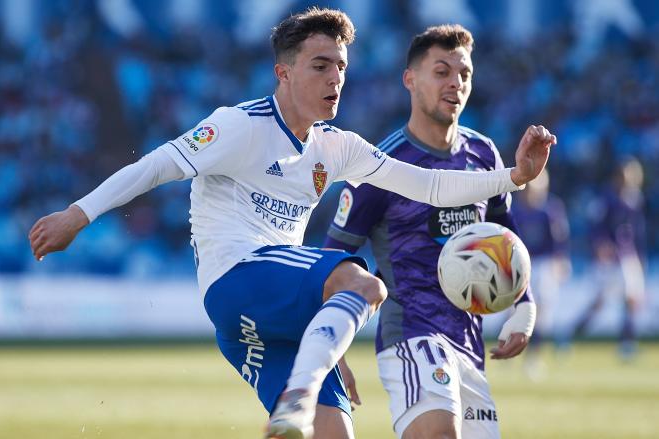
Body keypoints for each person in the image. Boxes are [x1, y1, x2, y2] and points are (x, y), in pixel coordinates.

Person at [28, 9, 556, 439]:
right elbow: (158, 164)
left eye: (342, 67)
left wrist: (513, 175)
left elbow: (430, 186)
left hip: (262, 321)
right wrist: (79, 214)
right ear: (284, 72)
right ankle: (298, 398)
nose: (336, 79)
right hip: (237, 279)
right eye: (320, 66)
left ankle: (300, 398)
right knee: (365, 282)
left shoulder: (336, 145)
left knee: (336, 435)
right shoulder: (239, 125)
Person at [324, 25, 538, 439]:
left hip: (469, 343)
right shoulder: (379, 166)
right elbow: (333, 259)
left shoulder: (484, 154)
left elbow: (506, 237)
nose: (455, 84)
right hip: (411, 333)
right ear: (410, 79)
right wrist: (331, 351)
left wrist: (524, 308)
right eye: (442, 71)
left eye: (464, 74)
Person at [572, 157, 646, 359]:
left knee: (631, 299)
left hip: (627, 257)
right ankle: (574, 332)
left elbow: (637, 232)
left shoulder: (635, 199)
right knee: (600, 302)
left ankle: (627, 342)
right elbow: (595, 227)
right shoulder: (605, 199)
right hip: (610, 259)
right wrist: (599, 245)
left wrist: (640, 256)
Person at [512, 170, 571, 377]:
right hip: (521, 263)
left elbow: (559, 240)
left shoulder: (550, 210)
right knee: (519, 311)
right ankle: (510, 348)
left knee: (542, 312)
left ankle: (533, 356)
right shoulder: (516, 210)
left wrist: (560, 260)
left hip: (544, 264)